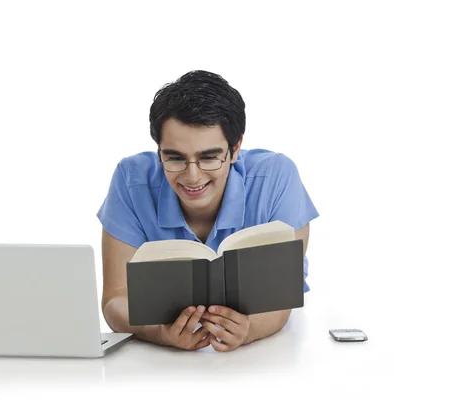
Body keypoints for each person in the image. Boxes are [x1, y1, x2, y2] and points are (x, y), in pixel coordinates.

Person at [97, 70, 319, 352]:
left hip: (269, 354)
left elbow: (283, 298)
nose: (192, 176)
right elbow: (115, 299)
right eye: (174, 158)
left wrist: (249, 329)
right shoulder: (131, 180)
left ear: (235, 148)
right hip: (157, 362)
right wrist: (160, 333)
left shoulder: (277, 177)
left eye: (209, 157)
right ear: (159, 151)